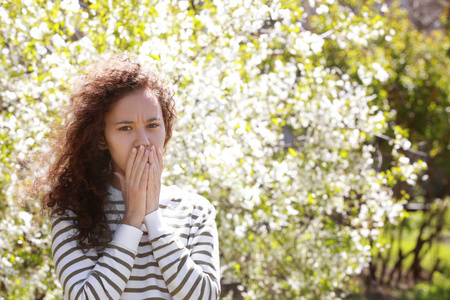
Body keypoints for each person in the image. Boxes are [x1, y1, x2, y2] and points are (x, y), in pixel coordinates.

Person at [40, 55, 221, 299]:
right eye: (125, 128)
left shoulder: (196, 210)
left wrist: (154, 219)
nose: (143, 141)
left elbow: (206, 296)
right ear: (102, 138)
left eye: (153, 125)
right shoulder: (72, 210)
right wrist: (132, 218)